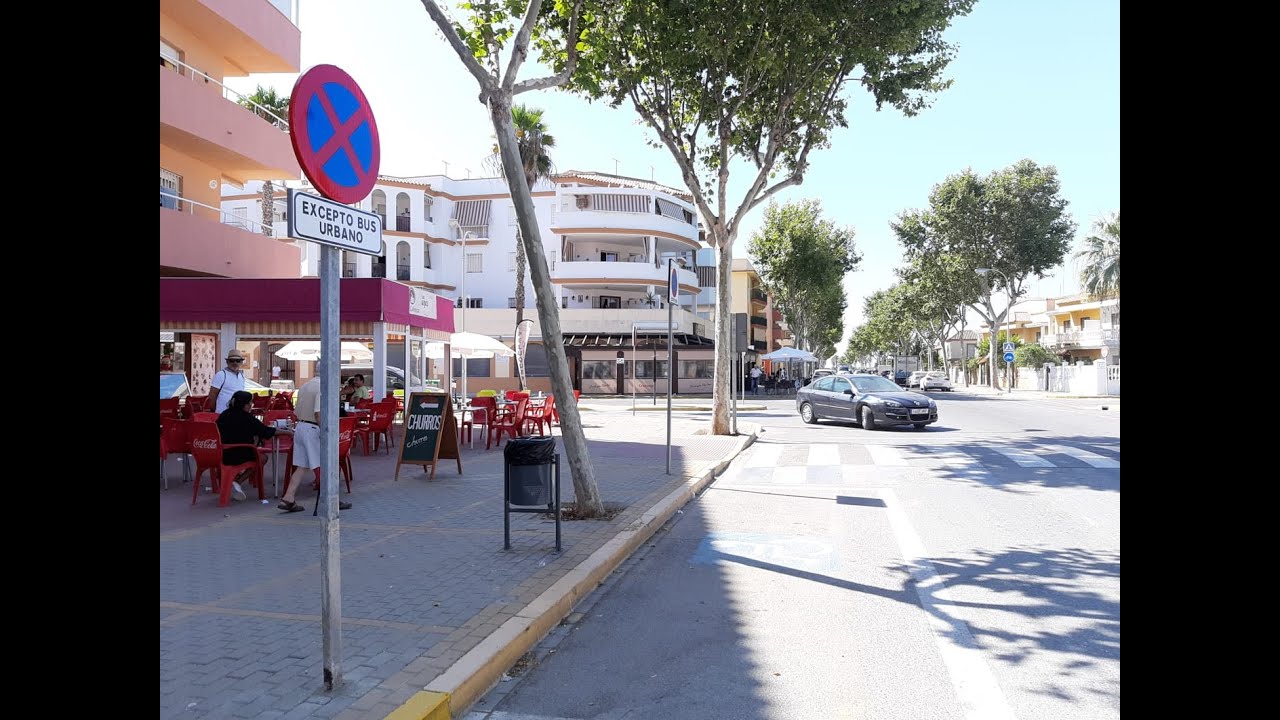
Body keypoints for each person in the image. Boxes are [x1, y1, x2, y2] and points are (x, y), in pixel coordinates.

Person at [279, 375, 352, 513]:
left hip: (301, 426)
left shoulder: (305, 386)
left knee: (301, 466)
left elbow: (296, 410)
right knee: (321, 465)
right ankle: (331, 499)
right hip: (313, 428)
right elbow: (318, 413)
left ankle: (288, 497)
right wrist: (327, 432)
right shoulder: (322, 387)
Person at [217, 391, 291, 501]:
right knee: (262, 458)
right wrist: (288, 432)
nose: (252, 404)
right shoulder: (247, 418)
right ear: (245, 405)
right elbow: (266, 431)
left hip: (221, 453)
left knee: (253, 452)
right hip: (239, 454)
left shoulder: (224, 415)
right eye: (250, 402)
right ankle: (238, 481)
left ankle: (234, 480)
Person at [208, 350, 248, 415]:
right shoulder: (221, 375)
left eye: (238, 361)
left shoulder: (242, 376)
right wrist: (215, 411)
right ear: (227, 362)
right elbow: (212, 395)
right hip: (222, 414)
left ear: (241, 362)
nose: (235, 363)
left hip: (237, 414)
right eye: (232, 360)